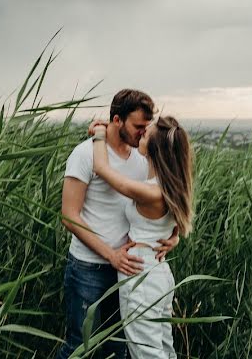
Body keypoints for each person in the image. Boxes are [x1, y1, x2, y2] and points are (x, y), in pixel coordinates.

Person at [57, 90, 180, 359]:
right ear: (116, 120)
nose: (143, 133)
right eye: (138, 126)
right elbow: (69, 215)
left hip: (128, 271)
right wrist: (110, 254)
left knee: (117, 348)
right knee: (80, 346)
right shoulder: (85, 155)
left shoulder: (143, 159)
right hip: (88, 267)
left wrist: (172, 237)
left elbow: (163, 203)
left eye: (146, 127)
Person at [91, 115, 194, 359]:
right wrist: (175, 239)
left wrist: (98, 134)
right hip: (158, 272)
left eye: (145, 134)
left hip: (141, 276)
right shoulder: (173, 186)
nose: (141, 134)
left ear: (156, 150)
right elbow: (169, 229)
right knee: (163, 347)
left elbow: (102, 168)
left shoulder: (151, 191)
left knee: (146, 352)